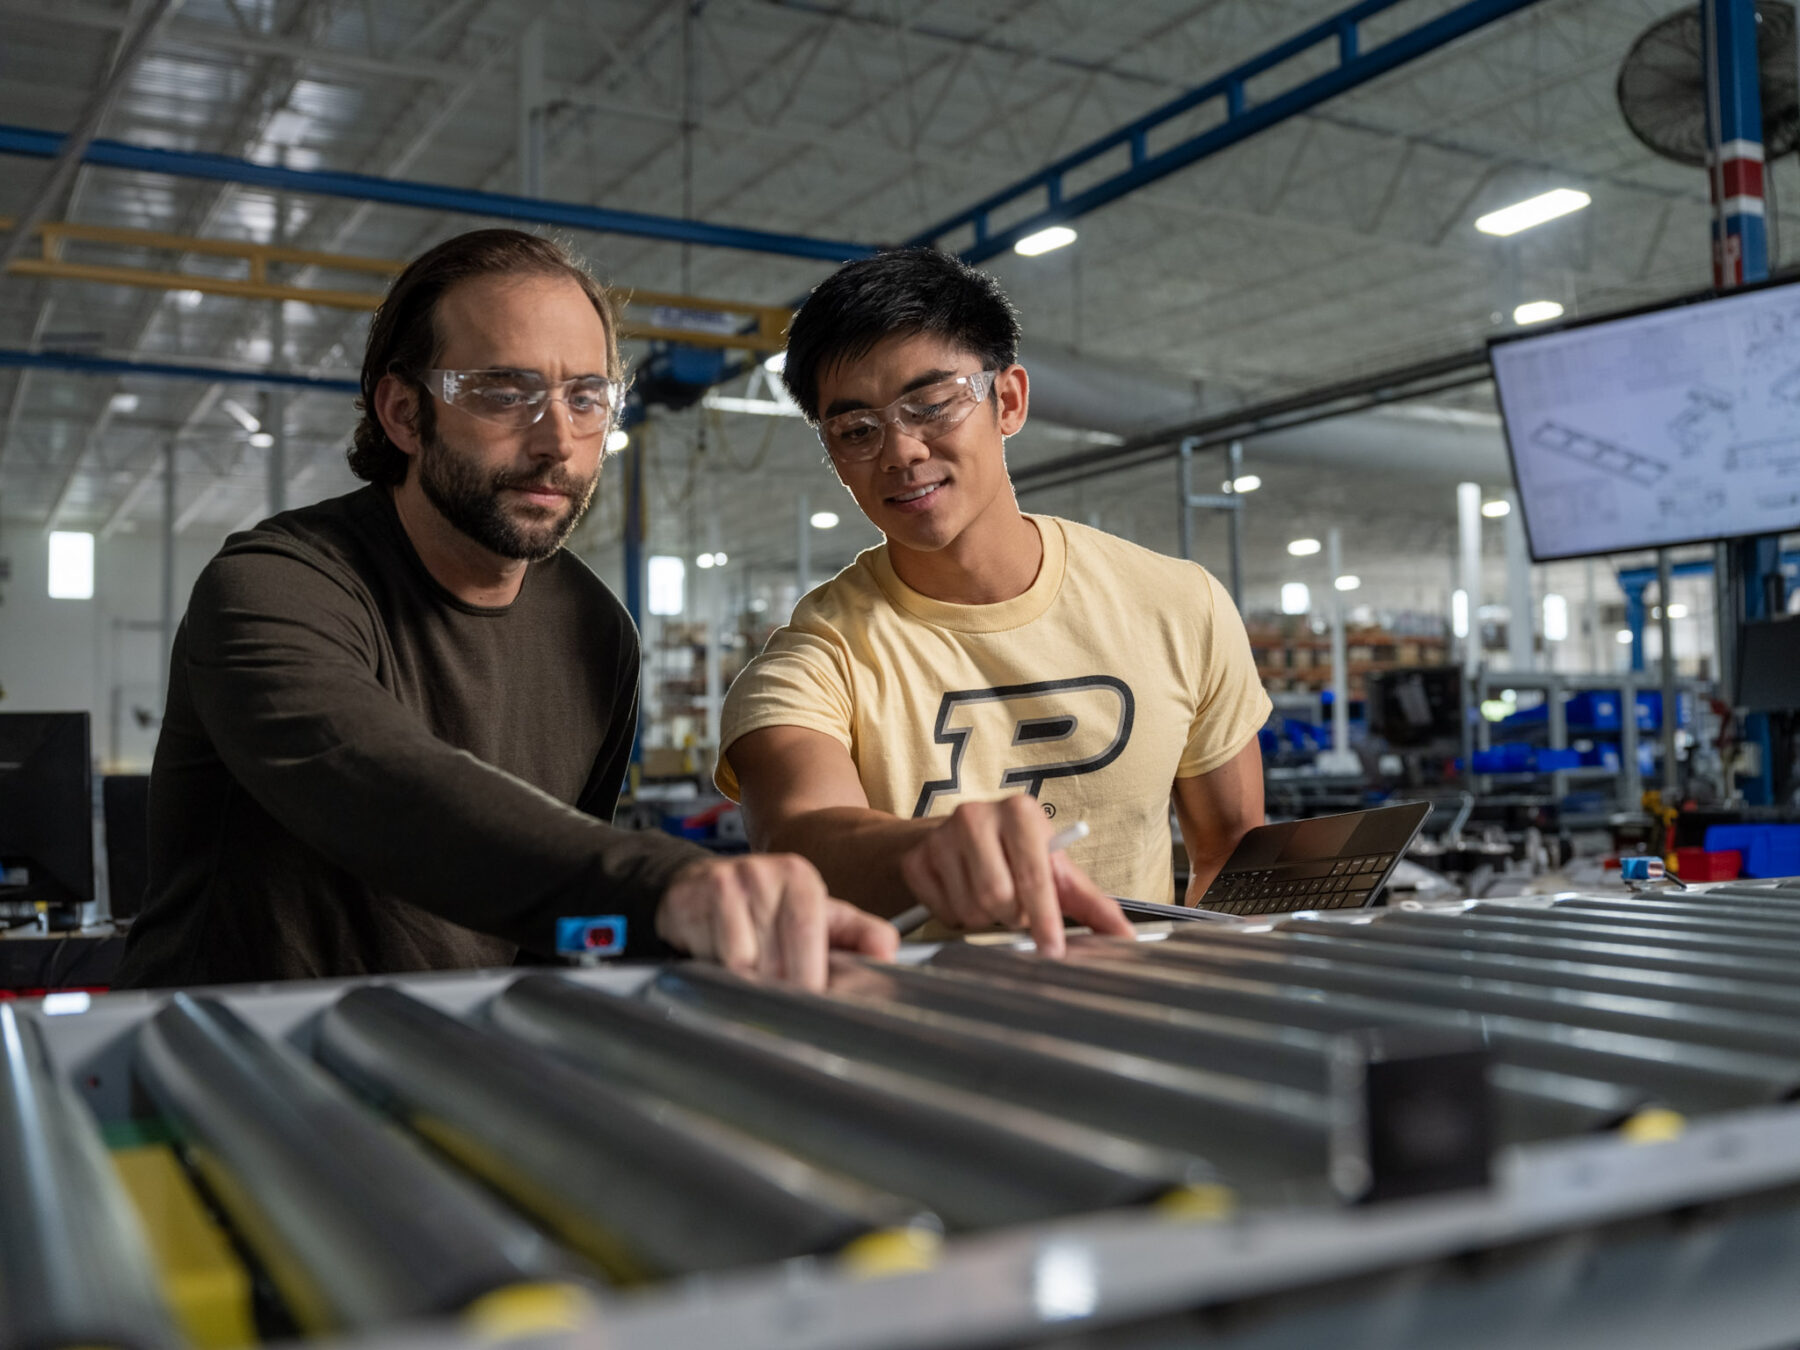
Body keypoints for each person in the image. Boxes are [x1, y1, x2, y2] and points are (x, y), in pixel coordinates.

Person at [116, 229, 894, 991]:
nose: (556, 439)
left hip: (457, 1068)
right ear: (403, 413)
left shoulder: (597, 633)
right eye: (503, 392)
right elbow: (381, 788)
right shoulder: (275, 586)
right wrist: (668, 885)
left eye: (586, 398)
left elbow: (554, 919)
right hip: (212, 1073)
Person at [716, 247, 1270, 955]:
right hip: (914, 1043)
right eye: (857, 431)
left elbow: (1231, 855)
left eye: (932, 404)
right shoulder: (816, 659)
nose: (901, 450)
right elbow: (799, 836)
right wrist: (934, 850)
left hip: (1139, 1032)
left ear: (1007, 401)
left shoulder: (1179, 606)